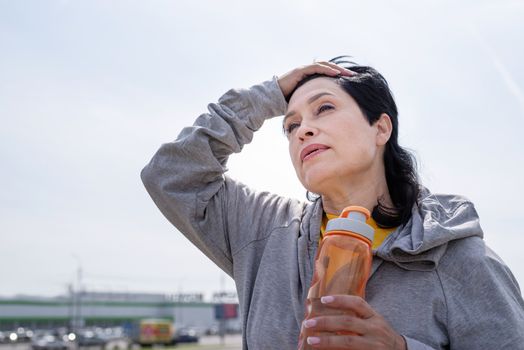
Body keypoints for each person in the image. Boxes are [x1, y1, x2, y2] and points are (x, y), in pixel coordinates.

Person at [141, 57, 524, 349]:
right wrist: (268, 96)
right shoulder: (261, 230)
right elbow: (170, 175)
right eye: (291, 126)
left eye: (324, 108)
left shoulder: (459, 259)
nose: (303, 130)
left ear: (381, 128)